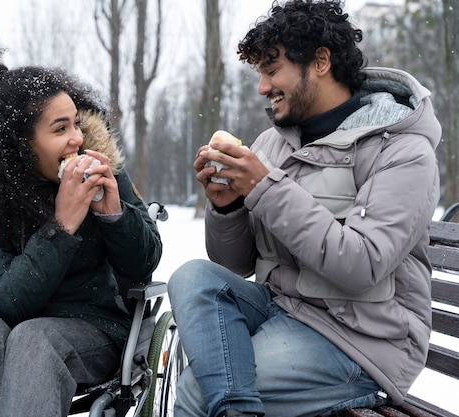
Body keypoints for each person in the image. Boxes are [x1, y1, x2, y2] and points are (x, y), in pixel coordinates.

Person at [168, 1, 440, 416]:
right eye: (259, 72)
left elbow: (361, 265)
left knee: (197, 394)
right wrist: (229, 208)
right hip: (283, 310)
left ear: (320, 61)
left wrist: (265, 187)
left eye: (272, 70)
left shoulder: (401, 149)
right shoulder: (272, 144)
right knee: (194, 276)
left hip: (360, 340)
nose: (261, 87)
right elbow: (232, 264)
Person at [0, 50, 162, 417]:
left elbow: (143, 264)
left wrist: (115, 214)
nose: (77, 140)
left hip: (91, 324)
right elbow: (3, 302)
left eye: (76, 124)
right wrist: (61, 226)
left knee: (34, 339)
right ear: (20, 145)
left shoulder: (101, 167)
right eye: (60, 129)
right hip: (4, 320)